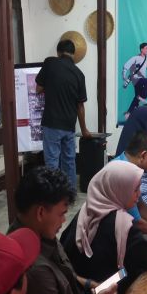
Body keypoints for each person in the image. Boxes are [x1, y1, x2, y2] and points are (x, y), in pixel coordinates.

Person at [8, 167, 116, 294]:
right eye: (61, 214)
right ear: (41, 212)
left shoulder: (38, 230)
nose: (64, 220)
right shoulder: (34, 267)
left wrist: (88, 284)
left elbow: (63, 272)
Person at [61, 162, 147, 294]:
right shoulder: (121, 223)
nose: (139, 194)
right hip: (101, 289)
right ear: (119, 189)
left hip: (77, 281)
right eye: (135, 189)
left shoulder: (88, 208)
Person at [36, 39, 91, 191]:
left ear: (58, 52)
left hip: (52, 123)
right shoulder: (79, 74)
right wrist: (84, 129)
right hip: (69, 125)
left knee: (52, 162)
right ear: (73, 54)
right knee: (69, 161)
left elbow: (38, 88)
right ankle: (69, 193)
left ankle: (53, 195)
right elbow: (80, 105)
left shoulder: (50, 63)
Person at [122, 42, 147, 117]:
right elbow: (126, 65)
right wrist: (124, 76)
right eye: (146, 48)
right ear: (141, 49)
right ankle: (143, 97)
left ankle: (128, 113)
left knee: (137, 98)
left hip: (141, 80)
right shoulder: (135, 58)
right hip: (136, 79)